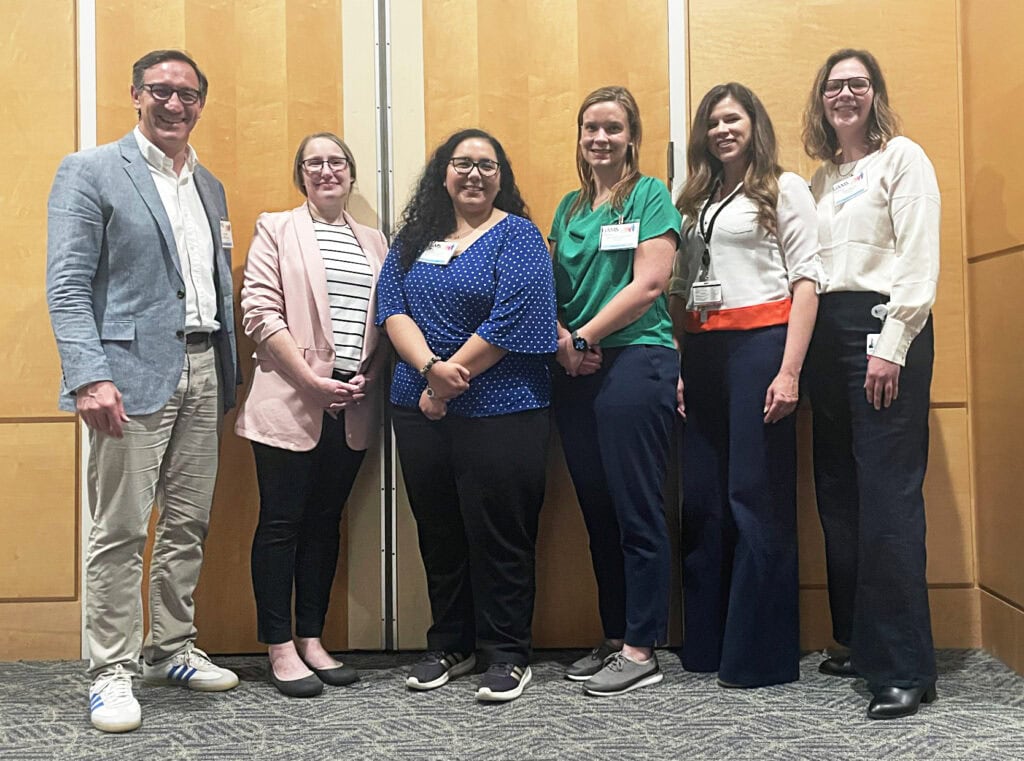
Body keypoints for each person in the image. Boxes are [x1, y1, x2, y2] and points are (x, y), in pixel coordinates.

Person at [46, 50, 241, 733]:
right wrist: (88, 374)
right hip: (125, 375)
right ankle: (110, 670)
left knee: (188, 522)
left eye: (188, 94)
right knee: (120, 529)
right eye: (161, 90)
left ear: (200, 104)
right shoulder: (92, 170)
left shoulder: (209, 185)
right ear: (136, 94)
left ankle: (172, 647)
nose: (174, 104)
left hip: (204, 367)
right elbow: (68, 285)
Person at [376, 129, 557, 703]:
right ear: (444, 173)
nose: (474, 174)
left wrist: (450, 379)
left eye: (486, 165)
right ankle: (449, 643)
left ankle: (506, 652)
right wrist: (430, 369)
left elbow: (517, 316)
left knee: (501, 535)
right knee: (439, 532)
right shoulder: (414, 237)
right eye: (462, 164)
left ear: (501, 175)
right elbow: (391, 307)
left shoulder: (519, 235)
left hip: (503, 409)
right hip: (418, 406)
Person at [801, 48, 940, 719]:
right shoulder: (823, 176)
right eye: (834, 86)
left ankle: (906, 666)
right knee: (840, 494)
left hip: (881, 330)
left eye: (857, 83)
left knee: (887, 496)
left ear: (875, 93)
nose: (845, 94)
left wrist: (894, 344)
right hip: (827, 334)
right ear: (821, 99)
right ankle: (861, 641)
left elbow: (917, 257)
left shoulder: (903, 157)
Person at [669, 83, 821, 688]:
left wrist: (789, 371)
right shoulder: (696, 198)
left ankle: (759, 655)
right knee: (703, 498)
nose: (722, 129)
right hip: (704, 349)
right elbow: (684, 289)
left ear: (754, 123)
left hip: (762, 347)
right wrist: (683, 364)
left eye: (732, 118)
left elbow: (807, 280)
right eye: (712, 121)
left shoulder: (784, 188)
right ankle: (707, 644)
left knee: (754, 496)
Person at [234, 133, 388, 698]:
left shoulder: (374, 239)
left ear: (351, 173)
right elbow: (258, 310)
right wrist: (311, 382)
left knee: (326, 522)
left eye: (337, 162)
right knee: (281, 523)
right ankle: (278, 645)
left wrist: (366, 371)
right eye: (314, 163)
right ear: (300, 174)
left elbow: (386, 316)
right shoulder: (277, 227)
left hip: (352, 403)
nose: (327, 171)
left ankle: (312, 638)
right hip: (290, 398)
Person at [549, 86, 680, 696]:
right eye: (590, 128)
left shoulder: (650, 196)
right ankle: (613, 635)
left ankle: (642, 646)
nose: (600, 138)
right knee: (598, 512)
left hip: (636, 360)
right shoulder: (569, 209)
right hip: (576, 370)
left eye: (613, 128)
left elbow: (651, 282)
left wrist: (583, 336)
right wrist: (563, 343)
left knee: (636, 507)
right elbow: (548, 288)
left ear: (632, 137)